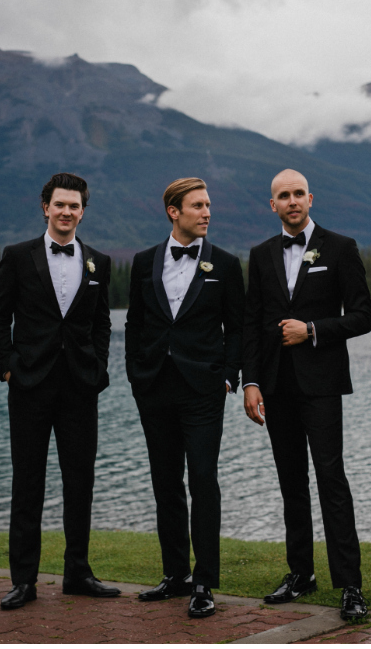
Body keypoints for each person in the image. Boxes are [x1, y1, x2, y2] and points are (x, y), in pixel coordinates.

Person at [242, 169, 371, 621]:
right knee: (291, 483)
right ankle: (301, 573)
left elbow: (362, 317)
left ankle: (350, 585)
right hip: (275, 386)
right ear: (273, 205)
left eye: (299, 193)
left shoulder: (341, 248)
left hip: (321, 385)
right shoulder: (260, 255)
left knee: (331, 479)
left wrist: (313, 330)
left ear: (311, 198)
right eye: (284, 195)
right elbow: (254, 325)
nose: (292, 201)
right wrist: (251, 382)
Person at [0, 172, 118, 610]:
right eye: (59, 204)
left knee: (80, 482)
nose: (66, 211)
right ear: (46, 208)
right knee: (28, 484)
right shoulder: (18, 256)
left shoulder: (99, 261)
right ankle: (23, 580)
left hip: (81, 387)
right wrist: (6, 368)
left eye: (74, 205)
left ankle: (77, 573)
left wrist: (97, 367)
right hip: (30, 386)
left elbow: (101, 322)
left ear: (83, 210)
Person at [125, 177, 244, 619]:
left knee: (203, 482)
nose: (207, 212)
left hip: (203, 390)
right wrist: (136, 376)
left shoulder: (227, 265)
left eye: (209, 205)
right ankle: (174, 575)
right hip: (154, 386)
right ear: (174, 212)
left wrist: (228, 377)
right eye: (197, 206)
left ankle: (204, 582)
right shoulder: (142, 262)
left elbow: (238, 327)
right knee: (165, 483)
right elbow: (135, 324)